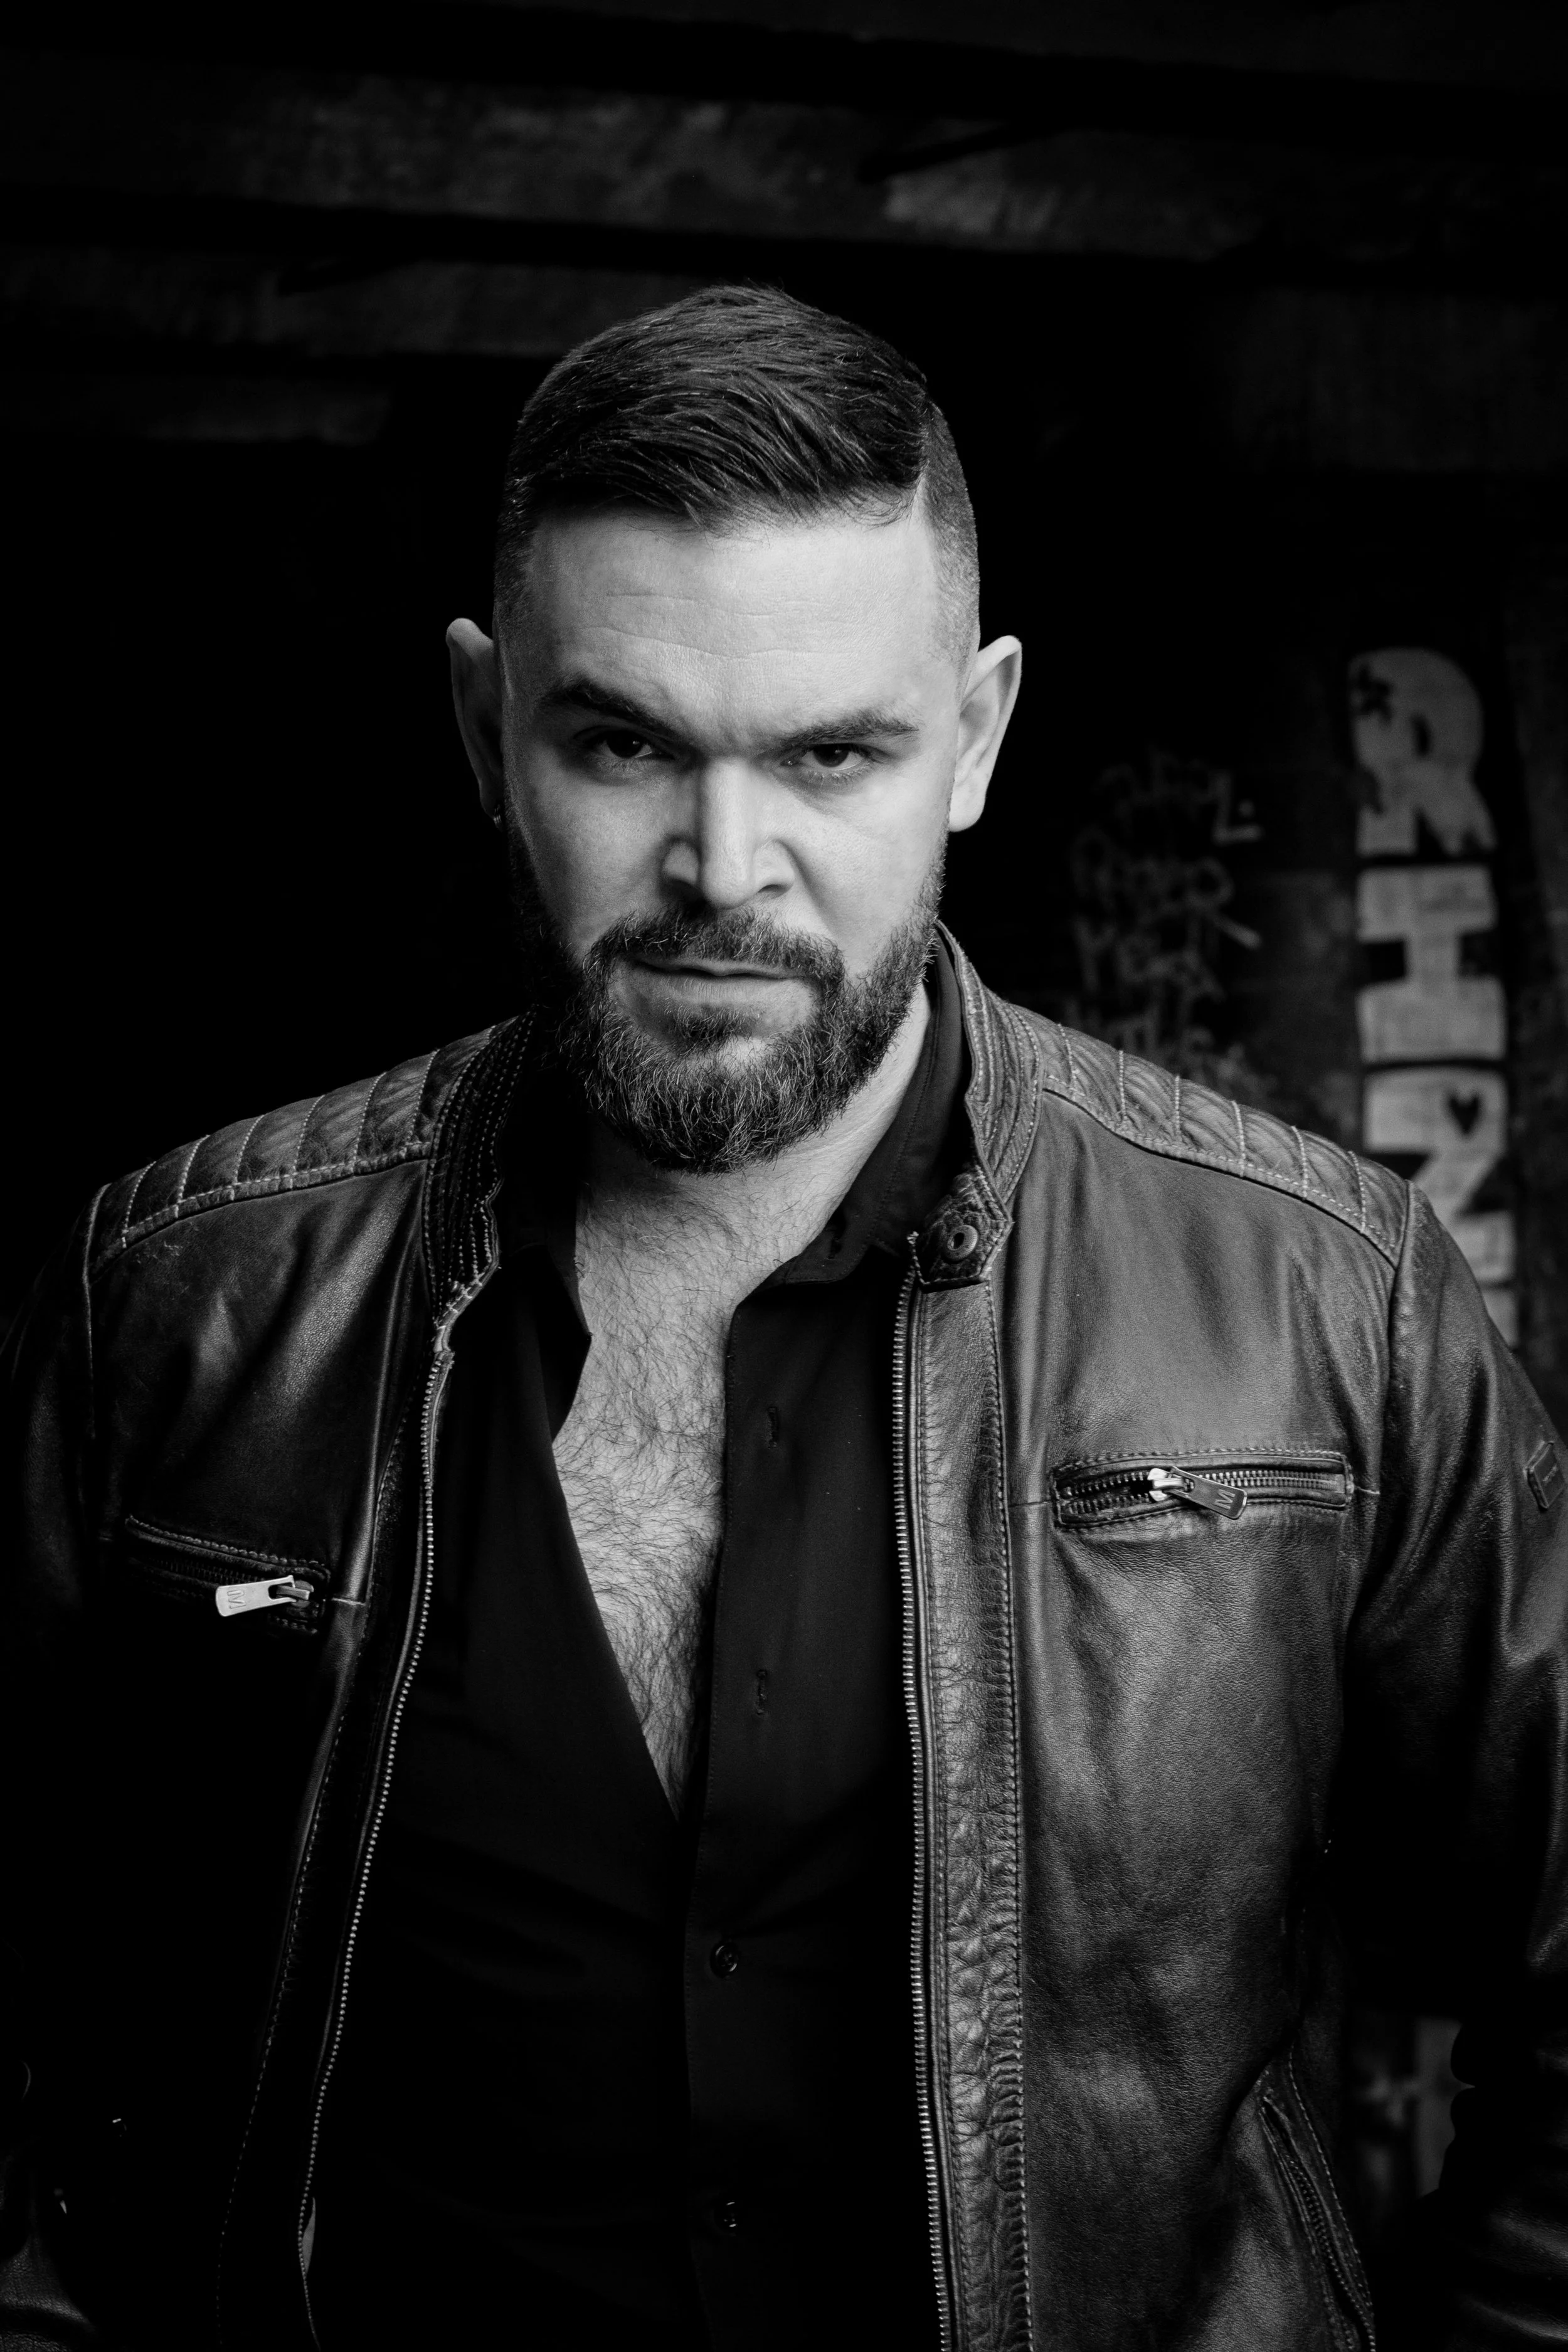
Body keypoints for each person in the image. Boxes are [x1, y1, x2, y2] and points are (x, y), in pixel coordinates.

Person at [2, 284, 1565, 2352]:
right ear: (484, 729)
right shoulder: (183, 1301)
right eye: (624, 742)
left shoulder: (1319, 1298)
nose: (722, 868)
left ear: (974, 739)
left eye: (831, 751)